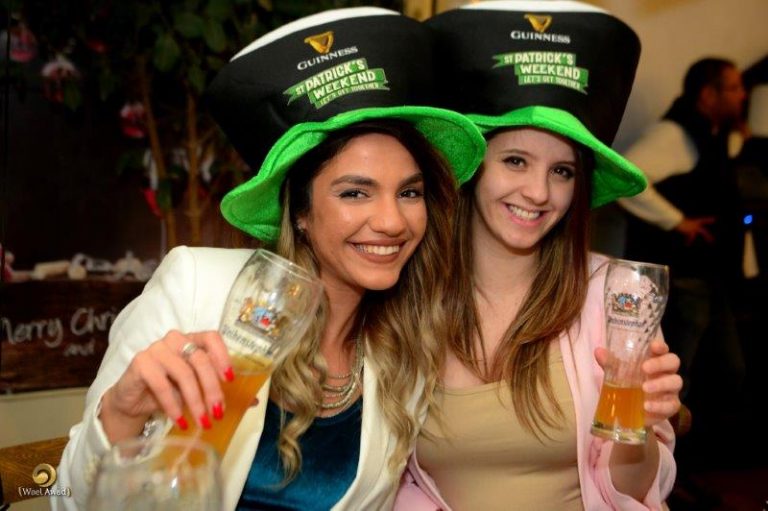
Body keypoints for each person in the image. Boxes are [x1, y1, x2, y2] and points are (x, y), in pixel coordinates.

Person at [53, 8, 486, 511]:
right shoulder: (196, 287)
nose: (392, 221)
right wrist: (120, 416)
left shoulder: (404, 351)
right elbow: (66, 500)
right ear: (299, 212)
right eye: (355, 193)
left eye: (409, 193)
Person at [394, 2, 681, 510]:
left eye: (562, 171)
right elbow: (390, 477)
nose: (539, 192)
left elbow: (637, 491)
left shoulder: (617, 294)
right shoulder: (409, 295)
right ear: (472, 168)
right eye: (515, 161)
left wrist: (639, 423)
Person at [619, 58, 748, 410]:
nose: (742, 95)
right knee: (675, 374)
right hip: (682, 277)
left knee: (726, 371)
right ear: (708, 95)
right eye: (734, 88)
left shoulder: (713, 134)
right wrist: (677, 221)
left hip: (709, 274)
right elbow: (628, 179)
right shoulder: (673, 134)